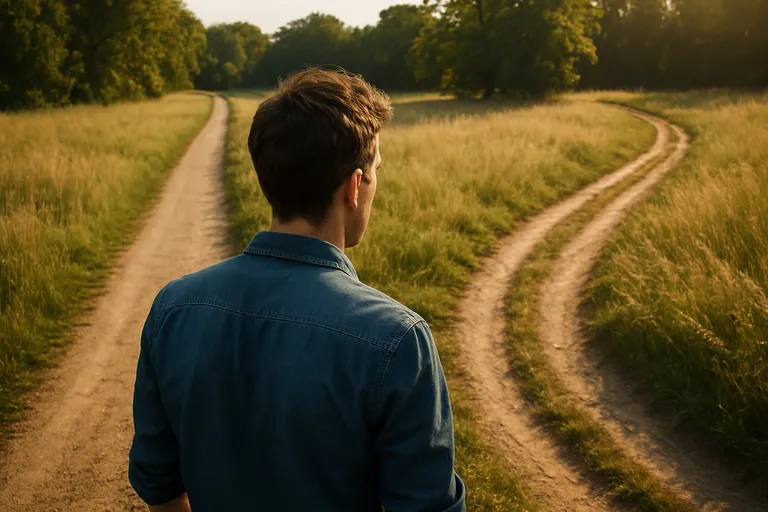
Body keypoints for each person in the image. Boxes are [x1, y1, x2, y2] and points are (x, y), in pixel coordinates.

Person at [129, 68, 466, 512]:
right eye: (375, 171)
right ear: (354, 187)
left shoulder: (173, 308)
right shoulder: (398, 339)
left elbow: (158, 483)